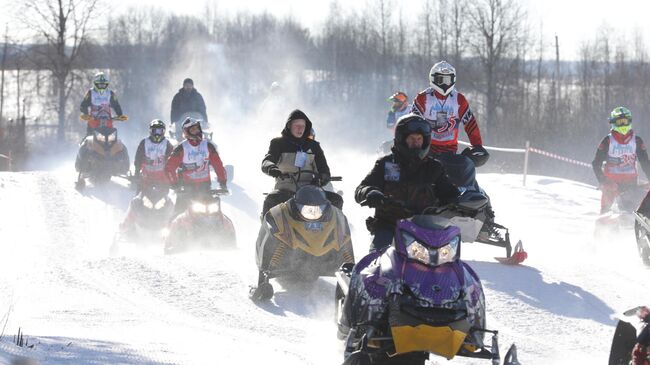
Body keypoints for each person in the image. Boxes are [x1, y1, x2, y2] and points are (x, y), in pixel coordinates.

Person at [355, 114, 460, 252]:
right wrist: (370, 193)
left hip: (426, 229)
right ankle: (364, 271)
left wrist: (459, 202)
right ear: (401, 140)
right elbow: (361, 189)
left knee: (448, 262)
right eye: (411, 138)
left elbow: (450, 193)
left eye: (419, 139)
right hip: (390, 226)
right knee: (377, 257)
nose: (416, 142)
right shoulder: (386, 164)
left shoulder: (434, 168)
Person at [260, 109, 342, 217]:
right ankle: (265, 232)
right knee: (270, 200)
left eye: (303, 126)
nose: (300, 129)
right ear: (289, 125)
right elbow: (267, 161)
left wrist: (322, 178)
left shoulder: (314, 146)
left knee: (336, 199)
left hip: (310, 192)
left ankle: (336, 232)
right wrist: (272, 168)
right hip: (284, 190)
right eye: (297, 125)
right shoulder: (278, 143)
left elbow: (324, 169)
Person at [592, 107, 650, 214]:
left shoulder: (637, 141)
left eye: (625, 121)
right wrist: (604, 181)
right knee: (605, 216)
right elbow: (596, 164)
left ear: (630, 121)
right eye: (620, 122)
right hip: (611, 186)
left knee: (631, 215)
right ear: (613, 123)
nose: (623, 125)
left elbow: (645, 163)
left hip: (631, 185)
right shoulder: (607, 141)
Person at [165, 117, 227, 215]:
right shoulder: (181, 148)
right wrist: (175, 184)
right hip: (186, 191)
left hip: (205, 189)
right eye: (193, 130)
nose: (196, 131)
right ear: (187, 132)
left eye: (197, 128)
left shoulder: (208, 146)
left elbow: (218, 165)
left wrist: (222, 182)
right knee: (177, 216)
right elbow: (169, 168)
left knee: (216, 215)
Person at [132, 119, 174, 189]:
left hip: (162, 177)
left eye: (159, 131)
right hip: (146, 176)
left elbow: (172, 161)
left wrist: (171, 177)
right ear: (150, 131)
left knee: (166, 195)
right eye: (154, 131)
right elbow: (138, 159)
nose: (157, 134)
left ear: (163, 131)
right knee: (138, 196)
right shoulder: (144, 142)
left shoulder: (167, 144)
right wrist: (136, 173)